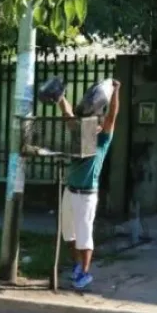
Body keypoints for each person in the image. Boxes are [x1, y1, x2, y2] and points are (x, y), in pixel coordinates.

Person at [56, 79, 120, 289]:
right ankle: (77, 265)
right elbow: (67, 113)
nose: (97, 124)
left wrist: (115, 92)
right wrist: (60, 97)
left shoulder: (102, 140)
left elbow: (112, 116)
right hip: (70, 191)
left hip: (86, 195)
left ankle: (85, 273)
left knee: (84, 237)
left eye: (99, 122)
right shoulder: (80, 134)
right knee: (69, 234)